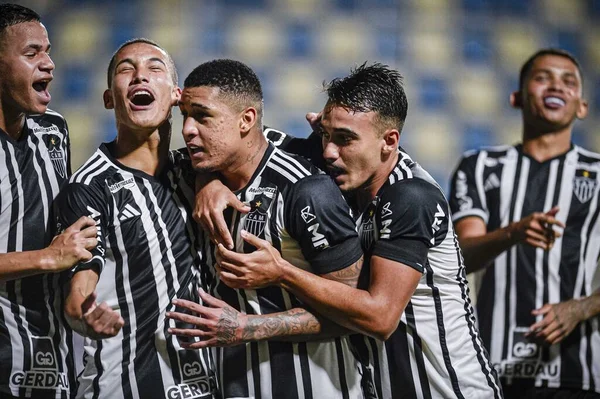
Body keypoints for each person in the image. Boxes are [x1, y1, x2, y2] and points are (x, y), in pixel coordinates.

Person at [179, 63, 503, 399]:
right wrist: (209, 181)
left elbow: (380, 317)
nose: (329, 152)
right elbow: (240, 142)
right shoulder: (352, 171)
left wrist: (282, 272)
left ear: (389, 141)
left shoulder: (411, 197)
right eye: (325, 135)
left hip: (449, 390)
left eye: (345, 139)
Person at [169, 59, 365, 399]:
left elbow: (355, 314)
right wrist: (207, 180)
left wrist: (246, 328)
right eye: (184, 115)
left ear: (246, 120)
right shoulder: (194, 174)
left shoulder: (306, 190)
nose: (187, 129)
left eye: (202, 116)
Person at [54, 38, 218, 399]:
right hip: (125, 386)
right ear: (109, 98)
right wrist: (87, 314)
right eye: (126, 69)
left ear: (177, 96)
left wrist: (212, 181)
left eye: (154, 68)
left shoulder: (197, 173)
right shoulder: (88, 188)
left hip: (206, 385)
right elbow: (77, 292)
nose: (140, 76)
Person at [449, 48, 600, 398]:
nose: (556, 87)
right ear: (517, 97)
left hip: (576, 372)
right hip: (491, 368)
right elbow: (462, 257)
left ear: (582, 106)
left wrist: (580, 308)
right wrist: (513, 233)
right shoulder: (481, 166)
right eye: (542, 77)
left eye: (568, 81)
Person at [0, 4, 98, 398]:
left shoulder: (53, 130)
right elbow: (55, 252)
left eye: (49, 51)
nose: (49, 64)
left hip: (54, 362)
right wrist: (45, 258)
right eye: (32, 53)